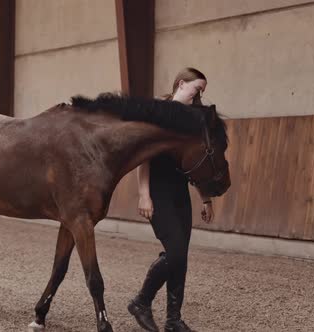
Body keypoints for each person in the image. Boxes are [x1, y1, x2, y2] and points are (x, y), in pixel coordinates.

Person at [128, 67, 214, 332]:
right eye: (197, 88)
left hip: (180, 193)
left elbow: (195, 164)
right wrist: (144, 195)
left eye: (202, 91)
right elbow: (144, 158)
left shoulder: (190, 119)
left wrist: (206, 198)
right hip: (158, 192)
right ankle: (141, 302)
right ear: (181, 84)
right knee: (175, 252)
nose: (199, 95)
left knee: (181, 257)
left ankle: (173, 319)